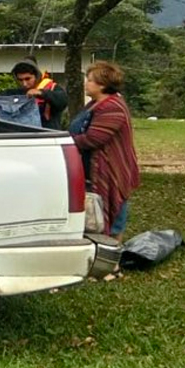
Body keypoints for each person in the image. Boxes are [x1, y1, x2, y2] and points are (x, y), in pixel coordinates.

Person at [69, 61, 140, 240]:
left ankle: (112, 262)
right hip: (92, 168)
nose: (86, 83)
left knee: (115, 217)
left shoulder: (112, 106)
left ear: (102, 84)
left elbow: (94, 138)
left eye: (89, 80)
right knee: (95, 215)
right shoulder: (94, 104)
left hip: (110, 169)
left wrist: (67, 143)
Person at [0, 56, 68, 129]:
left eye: (28, 79)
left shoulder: (52, 88)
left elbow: (63, 100)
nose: (24, 84)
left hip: (47, 136)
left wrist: (41, 93)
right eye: (20, 80)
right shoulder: (14, 93)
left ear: (37, 76)